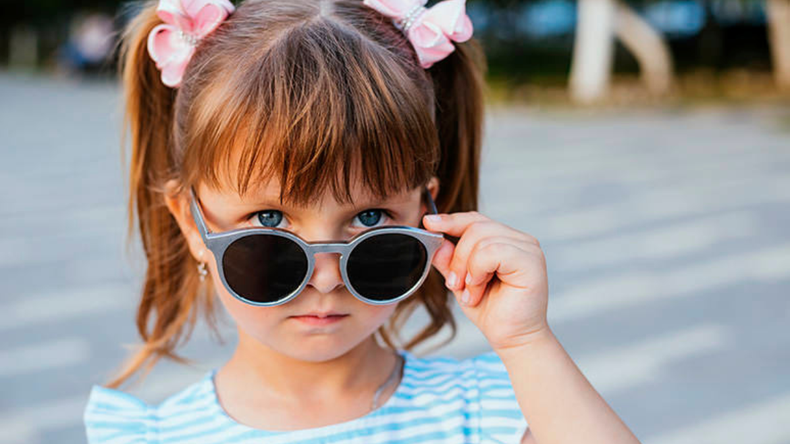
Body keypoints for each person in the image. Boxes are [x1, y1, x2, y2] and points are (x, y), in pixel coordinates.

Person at [83, 0, 641, 443]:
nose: (326, 278)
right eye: (270, 219)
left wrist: (526, 341)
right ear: (191, 222)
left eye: (371, 218)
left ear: (427, 213)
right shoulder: (151, 437)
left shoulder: (493, 408)